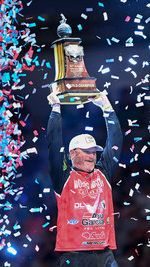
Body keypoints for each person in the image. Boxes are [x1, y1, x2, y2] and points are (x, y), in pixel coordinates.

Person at [47, 87, 123, 267]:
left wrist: (107, 107)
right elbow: (54, 143)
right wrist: (56, 107)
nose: (92, 156)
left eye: (94, 152)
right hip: (74, 256)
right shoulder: (64, 176)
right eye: (86, 151)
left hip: (105, 254)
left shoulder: (103, 172)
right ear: (72, 153)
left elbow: (115, 141)